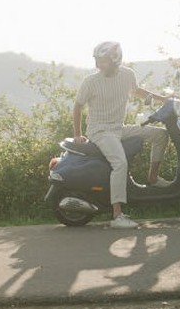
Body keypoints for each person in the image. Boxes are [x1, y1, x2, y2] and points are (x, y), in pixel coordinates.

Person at [73, 41, 172, 229]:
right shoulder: (91, 82)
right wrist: (78, 134)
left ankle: (153, 177)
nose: (98, 65)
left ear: (115, 60)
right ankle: (117, 216)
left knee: (161, 135)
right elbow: (77, 106)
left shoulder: (127, 75)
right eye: (97, 61)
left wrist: (164, 100)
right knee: (120, 163)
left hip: (119, 128)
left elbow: (137, 91)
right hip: (100, 131)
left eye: (103, 61)